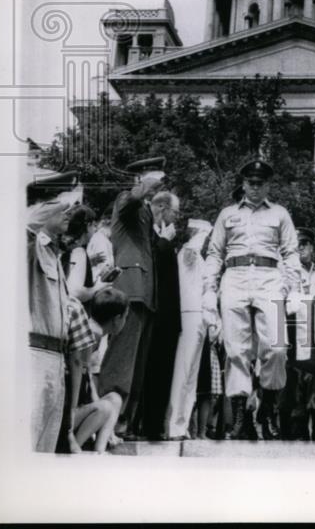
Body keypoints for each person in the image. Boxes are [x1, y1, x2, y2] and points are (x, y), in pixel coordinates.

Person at [203, 157, 302, 441]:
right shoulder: (227, 214)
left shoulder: (280, 214)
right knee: (236, 351)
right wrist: (209, 289)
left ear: (268, 185)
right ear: (243, 184)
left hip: (269, 277)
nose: (255, 188)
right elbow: (214, 253)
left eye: (260, 183)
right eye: (250, 183)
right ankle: (241, 417)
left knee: (277, 348)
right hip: (234, 277)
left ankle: (267, 408)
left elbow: (291, 252)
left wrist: (294, 287)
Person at [98, 156, 165, 439]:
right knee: (121, 361)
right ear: (139, 179)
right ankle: (108, 421)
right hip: (131, 292)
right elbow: (136, 196)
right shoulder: (126, 201)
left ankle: (125, 421)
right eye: (154, 179)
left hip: (145, 295)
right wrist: (150, 182)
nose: (159, 185)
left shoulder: (146, 211)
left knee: (137, 365)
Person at [26, 171, 80, 452]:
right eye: (63, 207)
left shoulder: (53, 252)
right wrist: (60, 199)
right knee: (28, 441)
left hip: (56, 358)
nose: (69, 212)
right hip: (35, 356)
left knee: (45, 448)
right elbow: (27, 223)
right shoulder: (29, 244)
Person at [67, 288, 130, 453]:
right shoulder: (92, 334)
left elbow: (86, 374)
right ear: (117, 319)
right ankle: (74, 448)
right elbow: (80, 370)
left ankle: (100, 450)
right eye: (126, 317)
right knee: (105, 408)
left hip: (80, 406)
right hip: (69, 412)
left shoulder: (97, 332)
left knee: (115, 399)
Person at [166, 219, 213, 440]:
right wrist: (203, 232)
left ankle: (181, 425)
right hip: (188, 315)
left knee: (191, 378)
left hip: (199, 317)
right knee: (182, 374)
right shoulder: (187, 254)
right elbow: (193, 247)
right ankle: (173, 424)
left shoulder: (199, 258)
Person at [286, 226, 315, 441]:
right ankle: (296, 430)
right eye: (296, 245)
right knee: (295, 386)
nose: (300, 249)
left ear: (312, 247)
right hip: (294, 334)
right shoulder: (286, 273)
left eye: (304, 244)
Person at [142, 189, 182, 439]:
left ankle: (156, 424)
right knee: (152, 371)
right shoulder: (149, 234)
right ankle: (148, 424)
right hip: (156, 315)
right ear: (162, 209)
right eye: (175, 212)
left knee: (163, 372)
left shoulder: (161, 235)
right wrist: (165, 242)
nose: (176, 218)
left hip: (168, 318)